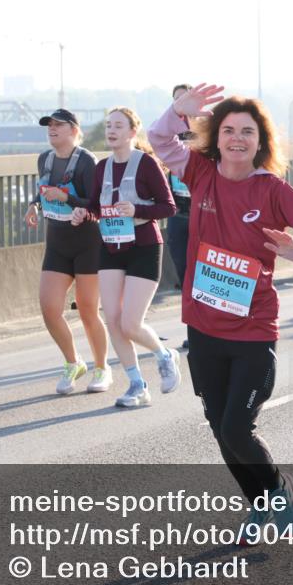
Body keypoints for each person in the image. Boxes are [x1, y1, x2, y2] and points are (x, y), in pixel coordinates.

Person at [148, 87, 293, 543]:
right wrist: (178, 111)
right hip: (203, 327)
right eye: (229, 130)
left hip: (253, 330)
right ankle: (257, 508)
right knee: (219, 427)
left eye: (247, 132)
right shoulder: (200, 174)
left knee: (238, 426)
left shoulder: (271, 189)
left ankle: (278, 490)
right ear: (218, 137)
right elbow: (159, 141)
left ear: (260, 142)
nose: (237, 139)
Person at [70, 107, 179, 407]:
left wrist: (138, 210)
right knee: (113, 320)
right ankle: (136, 385)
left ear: (133, 132)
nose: (111, 130)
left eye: (118, 125)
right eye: (108, 125)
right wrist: (83, 213)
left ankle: (164, 355)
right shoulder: (102, 167)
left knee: (131, 323)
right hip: (110, 247)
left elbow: (168, 207)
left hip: (144, 246)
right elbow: (95, 205)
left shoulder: (146, 164)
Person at [24, 109, 111, 394]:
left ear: (74, 130)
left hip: (87, 244)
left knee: (87, 311)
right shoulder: (44, 159)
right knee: (49, 309)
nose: (52, 129)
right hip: (57, 244)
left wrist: (67, 198)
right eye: (49, 125)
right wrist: (34, 205)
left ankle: (102, 368)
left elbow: (94, 202)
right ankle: (73, 362)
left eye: (59, 125)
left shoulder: (86, 161)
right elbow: (44, 189)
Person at [167, 84, 195, 351]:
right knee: (185, 277)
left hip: (204, 212)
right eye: (176, 101)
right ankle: (193, 330)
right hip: (178, 213)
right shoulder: (168, 136)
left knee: (204, 275)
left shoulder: (208, 133)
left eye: (185, 99)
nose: (180, 105)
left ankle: (210, 330)